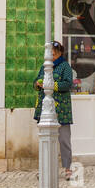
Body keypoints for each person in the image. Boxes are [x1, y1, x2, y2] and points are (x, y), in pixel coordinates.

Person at [33, 40, 74, 178]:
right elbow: (36, 80)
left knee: (64, 140)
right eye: (51, 52)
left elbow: (68, 84)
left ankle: (68, 168)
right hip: (45, 109)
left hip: (61, 109)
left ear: (60, 52)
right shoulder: (45, 66)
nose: (52, 54)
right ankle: (45, 169)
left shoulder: (65, 67)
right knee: (46, 140)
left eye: (55, 52)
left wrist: (51, 85)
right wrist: (38, 84)